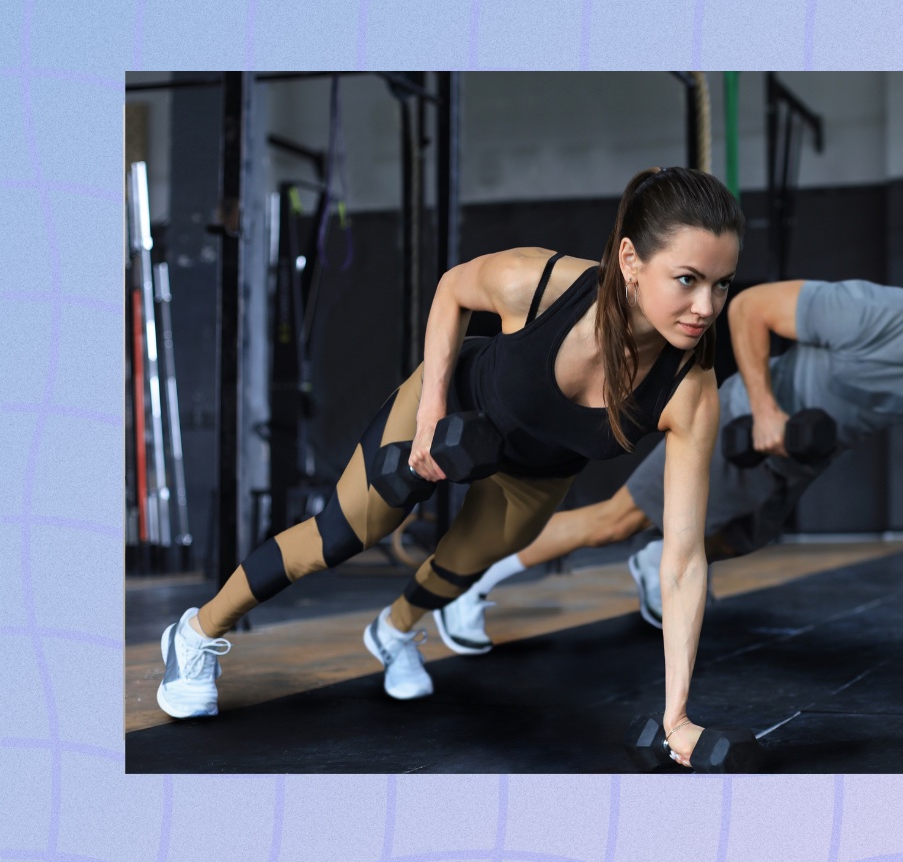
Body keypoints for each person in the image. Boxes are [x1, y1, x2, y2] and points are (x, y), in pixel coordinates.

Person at [156, 166, 744, 768]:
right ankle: (196, 634)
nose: (706, 307)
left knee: (464, 562)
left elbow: (681, 561)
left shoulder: (689, 392)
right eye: (687, 279)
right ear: (630, 259)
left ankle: (394, 630)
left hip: (538, 471)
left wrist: (676, 715)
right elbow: (452, 289)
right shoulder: (539, 284)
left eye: (722, 284)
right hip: (458, 403)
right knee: (340, 535)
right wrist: (432, 408)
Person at [436, 238, 903, 664]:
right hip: (752, 418)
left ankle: (652, 565)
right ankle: (465, 585)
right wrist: (767, 408)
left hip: (803, 454)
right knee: (615, 519)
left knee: (747, 536)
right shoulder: (871, 312)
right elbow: (750, 308)